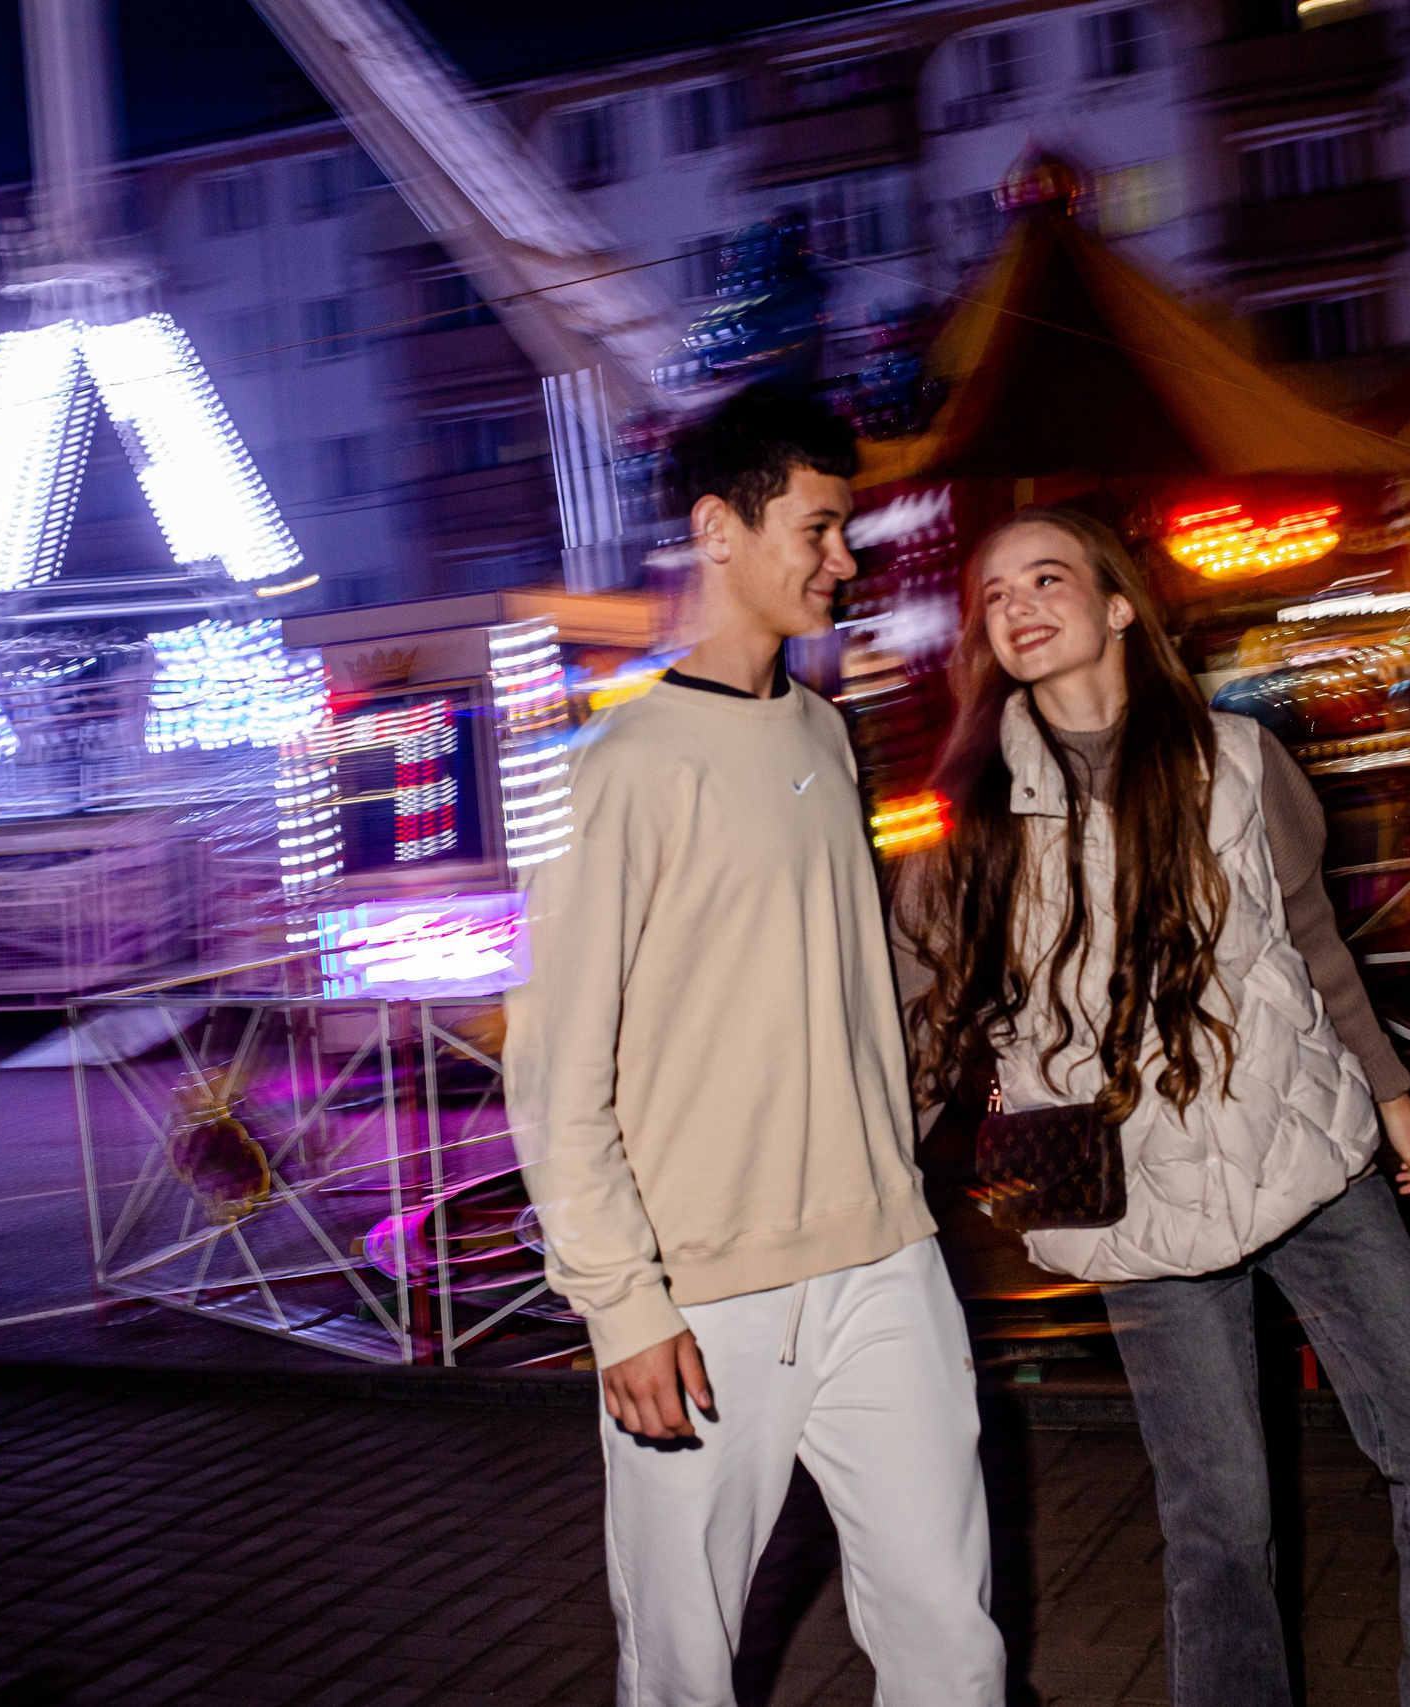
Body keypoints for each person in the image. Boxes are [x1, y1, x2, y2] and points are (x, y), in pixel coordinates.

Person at [893, 506, 1410, 1707]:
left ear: (1118, 605)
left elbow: (1311, 938)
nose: (1017, 605)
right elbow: (920, 1029)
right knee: (1219, 1522)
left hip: (1305, 1149)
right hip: (1124, 1189)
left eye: (1046, 578)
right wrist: (871, 1184)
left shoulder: (1239, 758)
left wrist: (1393, 1100)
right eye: (993, 596)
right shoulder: (967, 827)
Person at [506, 387, 1006, 1706]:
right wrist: (621, 1302)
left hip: (883, 1257)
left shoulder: (824, 734)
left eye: (846, 531)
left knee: (952, 1642)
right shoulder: (618, 768)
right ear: (717, 529)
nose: (845, 560)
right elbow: (557, 1064)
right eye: (821, 527)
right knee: (684, 1666)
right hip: (703, 1294)